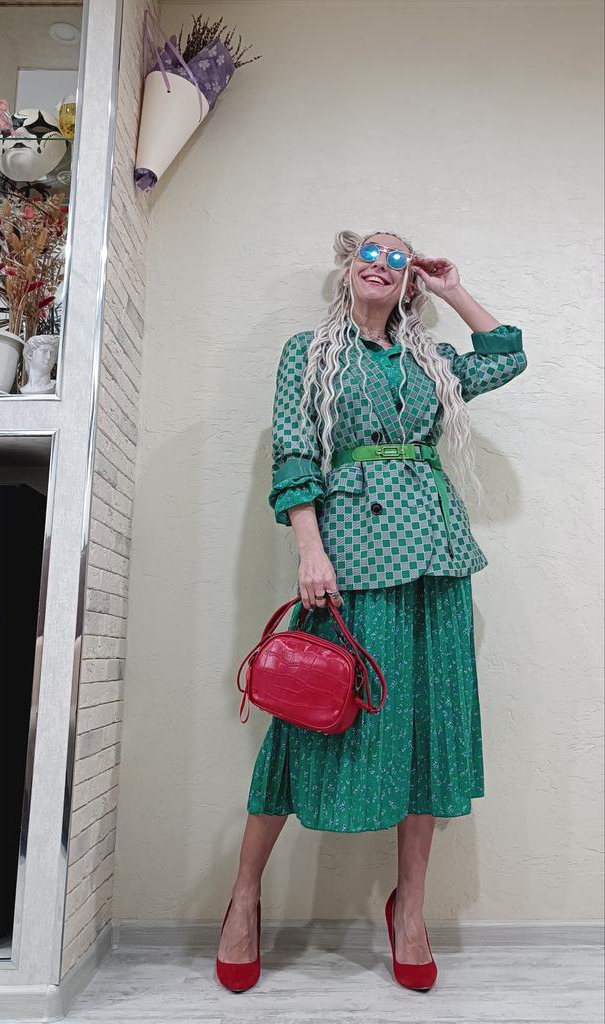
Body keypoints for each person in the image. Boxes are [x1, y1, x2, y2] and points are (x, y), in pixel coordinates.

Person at [216, 229, 527, 992]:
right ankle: (244, 896)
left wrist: (452, 288)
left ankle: (408, 909)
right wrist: (308, 550)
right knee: (310, 718)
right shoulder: (309, 353)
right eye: (370, 253)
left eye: (397, 259)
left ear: (408, 282)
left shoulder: (430, 361)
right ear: (346, 268)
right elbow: (294, 453)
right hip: (350, 556)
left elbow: (507, 355)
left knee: (426, 724)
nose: (381, 265)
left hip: (435, 557)